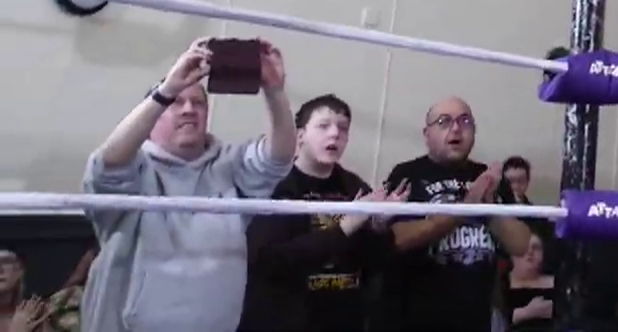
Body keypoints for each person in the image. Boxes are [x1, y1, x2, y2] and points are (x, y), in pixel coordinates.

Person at [82, 38, 296, 332]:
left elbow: (278, 159)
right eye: (176, 103)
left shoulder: (228, 165)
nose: (188, 109)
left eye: (198, 103)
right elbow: (107, 167)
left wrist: (274, 91)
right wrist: (165, 91)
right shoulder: (136, 168)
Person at [240, 94, 406, 330]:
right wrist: (346, 226)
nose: (335, 134)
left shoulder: (354, 186)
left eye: (343, 128)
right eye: (323, 126)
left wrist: (379, 228)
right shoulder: (277, 185)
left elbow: (375, 265)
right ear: (300, 136)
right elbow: (270, 261)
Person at [380, 96, 533, 332]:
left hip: (477, 319)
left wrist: (488, 206)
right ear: (427, 134)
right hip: (417, 318)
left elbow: (521, 244)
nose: (456, 129)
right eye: (444, 121)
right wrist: (465, 207)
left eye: (465, 121)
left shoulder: (487, 176)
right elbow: (396, 239)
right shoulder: (407, 173)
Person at [506, 235, 555, 330]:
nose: (530, 252)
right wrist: (527, 312)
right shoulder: (500, 283)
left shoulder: (557, 283)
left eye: (535, 248)